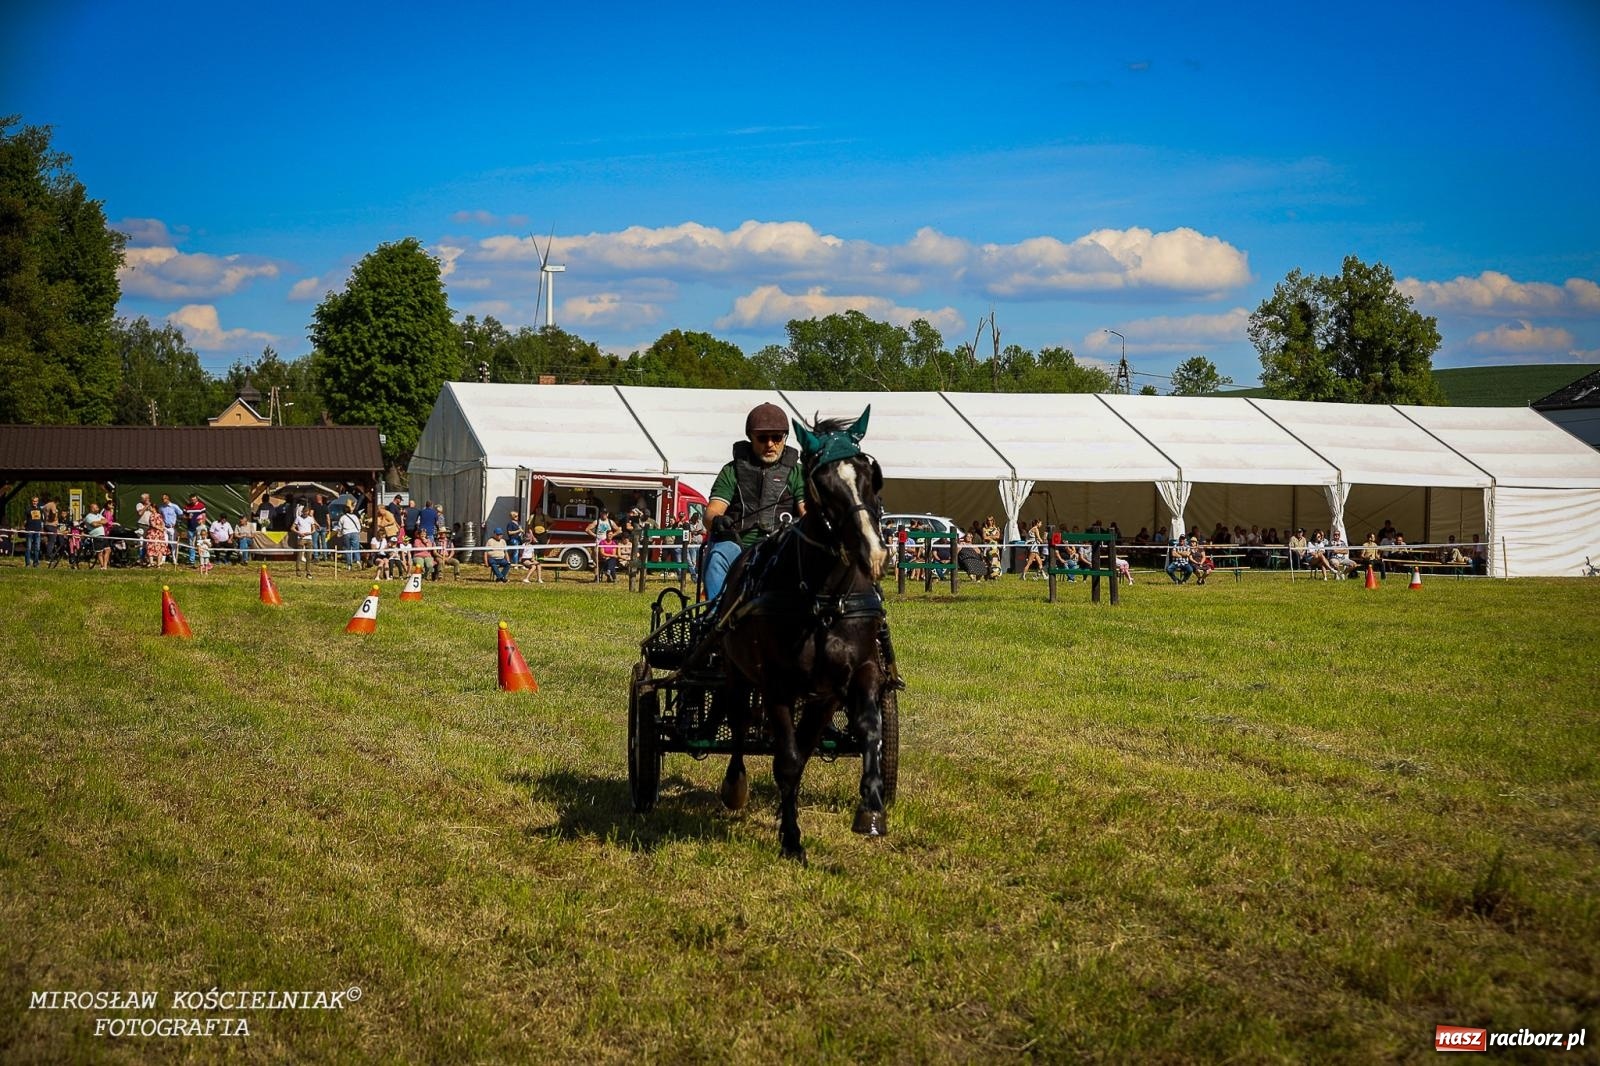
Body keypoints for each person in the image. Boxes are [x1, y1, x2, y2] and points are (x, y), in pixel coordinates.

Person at [701, 402, 806, 601]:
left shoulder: (798, 473)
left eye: (776, 438)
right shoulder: (731, 471)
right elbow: (710, 513)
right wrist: (717, 520)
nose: (770, 444)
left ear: (784, 438)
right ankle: (715, 614)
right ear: (750, 437)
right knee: (717, 557)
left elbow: (806, 512)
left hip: (783, 547)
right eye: (762, 438)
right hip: (737, 546)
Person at [293, 504, 318, 577]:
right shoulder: (298, 518)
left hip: (309, 539)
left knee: (309, 556)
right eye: (304, 512)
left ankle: (308, 571)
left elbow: (314, 529)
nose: (305, 513)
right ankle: (298, 571)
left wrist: (310, 533)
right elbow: (292, 528)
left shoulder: (310, 519)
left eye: (307, 512)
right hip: (301, 538)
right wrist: (299, 533)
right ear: (302, 512)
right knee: (299, 556)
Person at [23, 495, 43, 567]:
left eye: (36, 501)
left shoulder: (40, 509)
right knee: (28, 547)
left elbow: (41, 519)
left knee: (37, 548)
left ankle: (36, 563)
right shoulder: (28, 509)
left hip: (37, 531)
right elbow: (25, 520)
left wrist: (41, 528)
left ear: (38, 502)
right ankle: (28, 563)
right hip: (29, 530)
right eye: (33, 501)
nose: (35, 502)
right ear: (31, 501)